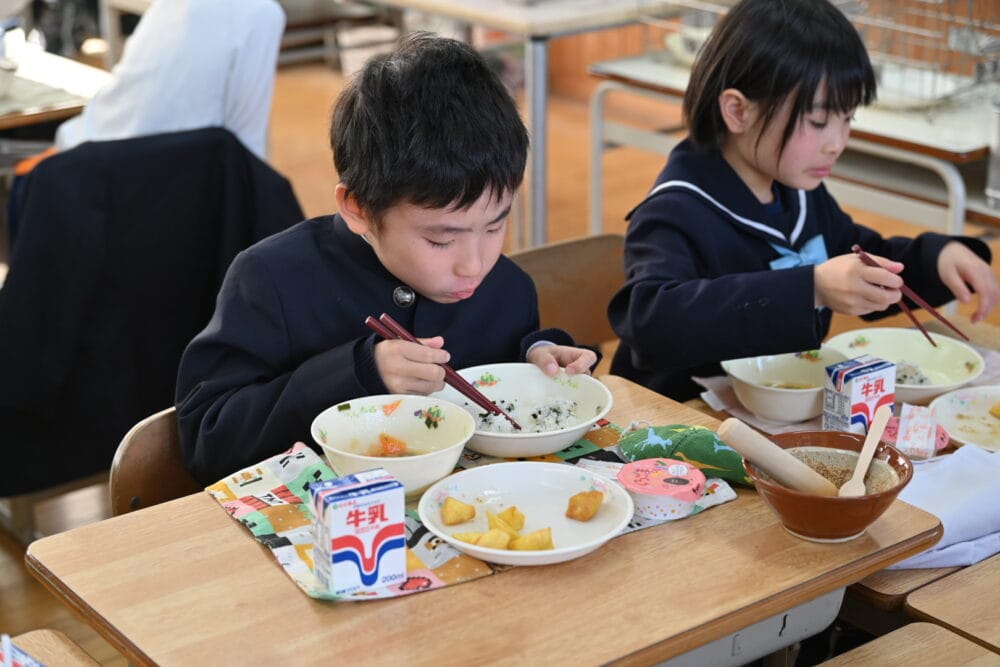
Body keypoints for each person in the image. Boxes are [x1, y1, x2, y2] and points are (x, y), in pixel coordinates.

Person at [175, 33, 597, 485]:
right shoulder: (272, 279)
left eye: (495, 226)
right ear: (358, 207)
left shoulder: (508, 288)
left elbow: (502, 386)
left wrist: (538, 357)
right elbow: (207, 440)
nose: (474, 265)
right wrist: (358, 372)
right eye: (441, 240)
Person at [608, 0, 999, 402]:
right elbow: (650, 322)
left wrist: (937, 259)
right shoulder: (674, 211)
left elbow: (862, 259)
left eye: (847, 119)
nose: (837, 143)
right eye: (818, 122)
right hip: (674, 420)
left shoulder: (797, 192)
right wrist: (810, 288)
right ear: (738, 111)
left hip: (776, 411)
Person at [54, 0, 284, 159]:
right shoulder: (261, 14)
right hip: (163, 177)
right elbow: (249, 143)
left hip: (89, 155)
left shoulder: (168, 7)